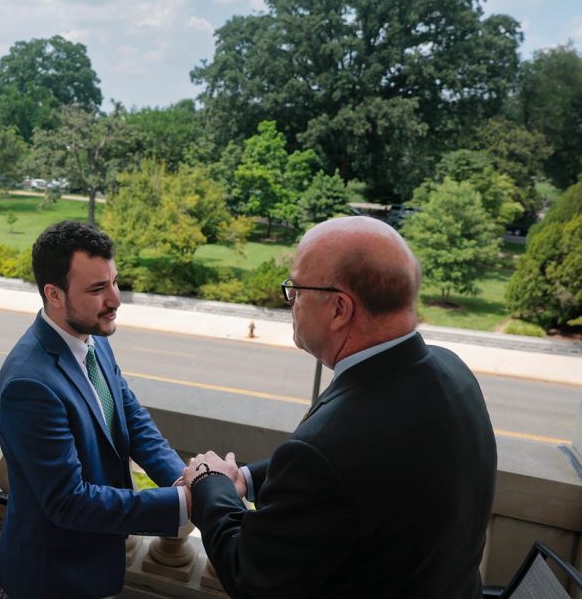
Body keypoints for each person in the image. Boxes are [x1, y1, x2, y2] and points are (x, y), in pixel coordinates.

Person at [183, 216, 497, 598]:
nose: (291, 302)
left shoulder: (327, 449)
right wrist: (247, 478)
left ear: (339, 310)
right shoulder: (452, 370)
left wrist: (209, 483)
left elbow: (252, 575)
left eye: (296, 289)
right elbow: (359, 472)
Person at [0, 220, 187, 599]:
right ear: (55, 294)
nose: (115, 300)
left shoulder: (93, 338)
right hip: (54, 578)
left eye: (114, 282)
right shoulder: (29, 386)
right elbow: (69, 501)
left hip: (99, 557)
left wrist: (185, 479)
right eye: (98, 289)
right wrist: (180, 504)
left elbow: (131, 419)